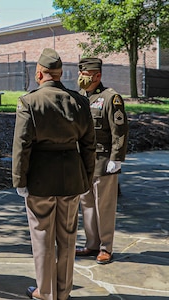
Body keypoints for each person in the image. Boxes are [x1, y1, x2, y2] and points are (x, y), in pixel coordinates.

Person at [12, 48, 96, 300]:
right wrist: (87, 178)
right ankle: (63, 291)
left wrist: (19, 179)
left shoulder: (29, 101)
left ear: (39, 74)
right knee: (68, 238)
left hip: (40, 178)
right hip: (71, 177)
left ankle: (45, 291)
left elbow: (22, 145)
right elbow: (89, 145)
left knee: (42, 237)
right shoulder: (79, 101)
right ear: (60, 74)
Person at [75, 58, 129, 264]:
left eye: (86, 74)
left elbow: (120, 131)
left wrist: (117, 158)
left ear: (97, 75)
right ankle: (92, 243)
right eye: (81, 73)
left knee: (103, 206)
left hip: (104, 160)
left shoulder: (110, 98)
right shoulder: (79, 97)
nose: (82, 77)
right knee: (87, 204)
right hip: (83, 160)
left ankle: (106, 247)